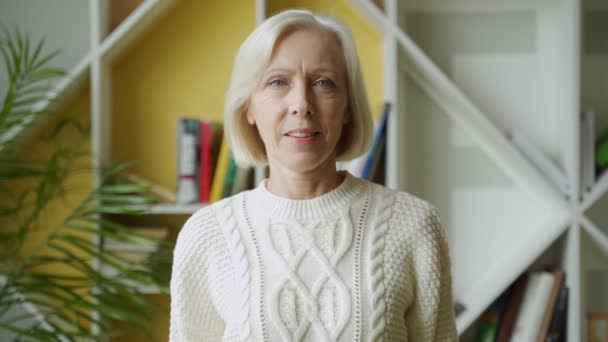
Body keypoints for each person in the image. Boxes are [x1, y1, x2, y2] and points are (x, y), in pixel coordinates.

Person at [169, 8, 458, 342]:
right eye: (278, 82)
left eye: (323, 83)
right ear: (248, 106)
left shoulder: (413, 225)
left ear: (348, 106)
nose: (302, 104)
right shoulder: (208, 235)